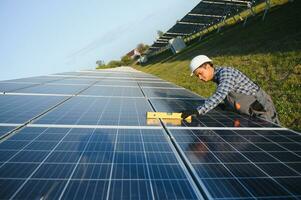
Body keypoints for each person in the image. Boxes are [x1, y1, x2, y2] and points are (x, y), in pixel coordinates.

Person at [181, 55, 280, 125]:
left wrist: (198, 111)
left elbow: (220, 94)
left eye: (200, 73)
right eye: (197, 75)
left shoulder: (226, 73)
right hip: (251, 112)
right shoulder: (219, 78)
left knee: (272, 137)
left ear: (207, 66)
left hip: (262, 109)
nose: (200, 78)